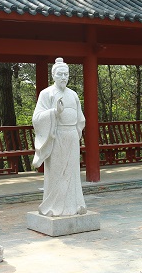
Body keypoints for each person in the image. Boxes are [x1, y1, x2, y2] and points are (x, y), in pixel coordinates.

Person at [32, 57, 87, 217]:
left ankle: (74, 205)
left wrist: (76, 131)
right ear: (53, 75)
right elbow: (37, 118)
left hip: (72, 136)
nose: (63, 77)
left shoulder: (73, 95)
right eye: (60, 74)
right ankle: (52, 206)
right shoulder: (46, 94)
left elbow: (80, 118)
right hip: (56, 136)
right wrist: (54, 112)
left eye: (66, 74)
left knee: (72, 172)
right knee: (57, 173)